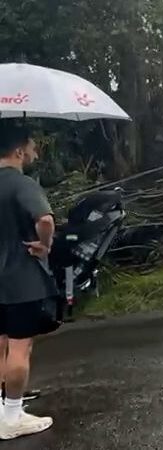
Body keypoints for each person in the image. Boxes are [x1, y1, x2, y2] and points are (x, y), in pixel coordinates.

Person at [0, 122, 56, 439]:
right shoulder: (22, 183)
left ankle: (1, 412)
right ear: (19, 150)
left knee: (0, 347)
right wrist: (44, 245)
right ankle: (11, 417)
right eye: (32, 146)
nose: (35, 151)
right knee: (20, 350)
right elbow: (45, 219)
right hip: (20, 278)